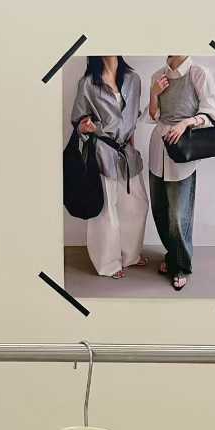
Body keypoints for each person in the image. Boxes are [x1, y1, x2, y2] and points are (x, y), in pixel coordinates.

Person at [69, 56, 148, 278]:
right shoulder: (88, 83)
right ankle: (108, 264)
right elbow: (77, 120)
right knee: (106, 212)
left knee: (137, 205)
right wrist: (84, 126)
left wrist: (133, 148)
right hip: (102, 152)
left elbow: (132, 120)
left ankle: (130, 255)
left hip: (126, 153)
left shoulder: (133, 79)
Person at [147, 56, 215, 291]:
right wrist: (153, 93)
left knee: (179, 216)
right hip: (158, 148)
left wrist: (186, 122)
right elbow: (153, 116)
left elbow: (210, 113)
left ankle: (181, 266)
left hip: (182, 150)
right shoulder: (157, 75)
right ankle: (172, 255)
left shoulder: (199, 73)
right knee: (159, 210)